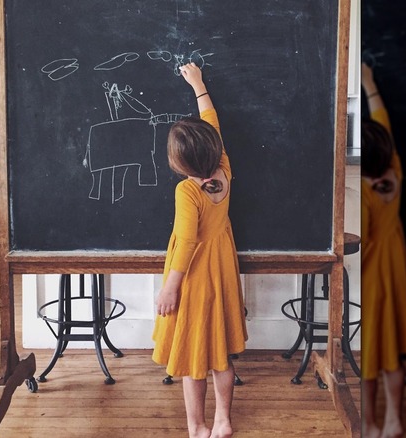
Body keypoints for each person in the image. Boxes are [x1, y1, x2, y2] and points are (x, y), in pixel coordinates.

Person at [152, 63, 248, 438]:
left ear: (180, 164)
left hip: (192, 277)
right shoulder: (223, 168)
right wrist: (199, 85)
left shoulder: (187, 191)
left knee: (194, 358)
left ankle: (198, 427)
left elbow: (187, 242)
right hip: (221, 267)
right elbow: (212, 123)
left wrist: (171, 287)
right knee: (221, 352)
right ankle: (224, 421)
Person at [360, 62, 406, 438]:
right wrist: (369, 83)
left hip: (370, 281)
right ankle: (395, 420)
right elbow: (384, 124)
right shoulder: (393, 170)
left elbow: (361, 248)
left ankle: (369, 422)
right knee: (393, 353)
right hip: (396, 271)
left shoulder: (364, 195)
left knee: (367, 357)